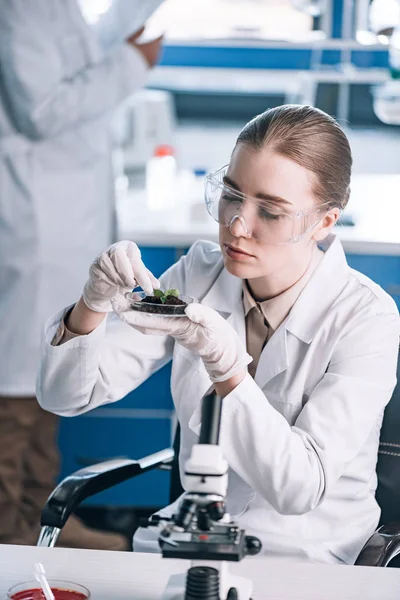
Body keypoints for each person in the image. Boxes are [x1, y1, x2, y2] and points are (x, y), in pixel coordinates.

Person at [37, 105, 400, 564]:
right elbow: (64, 395)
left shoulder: (366, 318)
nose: (236, 225)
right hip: (192, 543)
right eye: (232, 195)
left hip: (307, 560)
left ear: (324, 223)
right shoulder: (200, 274)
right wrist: (91, 304)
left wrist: (228, 370)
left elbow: (298, 488)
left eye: (270, 211)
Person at [0, 0, 163, 549]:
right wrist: (132, 64)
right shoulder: (18, 10)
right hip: (33, 230)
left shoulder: (54, 7)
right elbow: (42, 110)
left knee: (46, 383)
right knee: (18, 392)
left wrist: (131, 38)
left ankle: (34, 523)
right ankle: (11, 533)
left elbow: (90, 48)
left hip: (62, 224)